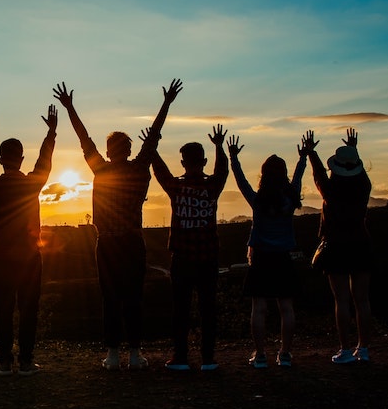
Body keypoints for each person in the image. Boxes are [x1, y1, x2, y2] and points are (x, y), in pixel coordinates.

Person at [52, 79, 182, 370]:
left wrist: (70, 107)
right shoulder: (139, 169)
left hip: (108, 243)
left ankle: (112, 354)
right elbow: (154, 136)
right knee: (134, 297)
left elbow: (83, 137)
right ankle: (135, 354)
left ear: (109, 151)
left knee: (110, 297)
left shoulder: (101, 168)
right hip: (133, 242)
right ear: (129, 149)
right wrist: (166, 103)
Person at [0, 103, 57, 376]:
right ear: (22, 159)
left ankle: (4, 361)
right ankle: (25, 360)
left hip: (1, 256)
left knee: (3, 308)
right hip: (30, 256)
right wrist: (51, 134)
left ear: (1, 159)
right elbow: (44, 162)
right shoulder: (32, 183)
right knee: (28, 310)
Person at [148, 125, 229, 371]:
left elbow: (160, 171)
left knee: (180, 310)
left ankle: (181, 357)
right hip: (208, 258)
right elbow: (222, 170)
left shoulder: (176, 187)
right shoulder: (212, 187)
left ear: (182, 162)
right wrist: (219, 146)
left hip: (182, 259)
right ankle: (208, 358)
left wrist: (152, 148)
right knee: (208, 309)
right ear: (204, 161)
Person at [227, 133, 308, 368]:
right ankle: (285, 354)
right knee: (286, 307)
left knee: (259, 308)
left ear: (263, 175)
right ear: (283, 175)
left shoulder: (258, 200)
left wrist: (233, 158)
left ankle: (260, 354)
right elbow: (298, 177)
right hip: (283, 257)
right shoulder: (290, 199)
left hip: (261, 258)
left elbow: (241, 181)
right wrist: (303, 157)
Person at [303, 128, 373, 364]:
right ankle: (363, 348)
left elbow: (318, 175)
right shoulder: (364, 186)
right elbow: (357, 171)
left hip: (336, 246)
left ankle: (344, 349)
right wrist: (354, 149)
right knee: (362, 300)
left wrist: (311, 152)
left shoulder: (330, 190)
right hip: (360, 243)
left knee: (341, 300)